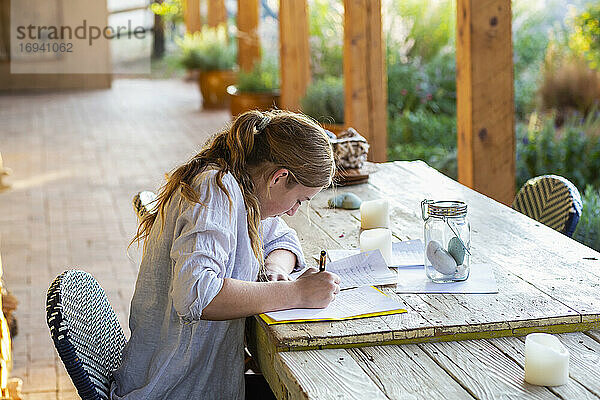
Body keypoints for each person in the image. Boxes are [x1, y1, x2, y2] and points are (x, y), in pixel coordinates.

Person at [110, 110, 341, 399]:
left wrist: (275, 268)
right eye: (299, 200)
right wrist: (294, 292)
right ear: (279, 177)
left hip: (202, 379)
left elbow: (281, 238)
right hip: (174, 388)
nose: (294, 211)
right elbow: (197, 294)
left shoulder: (246, 187)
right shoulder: (215, 190)